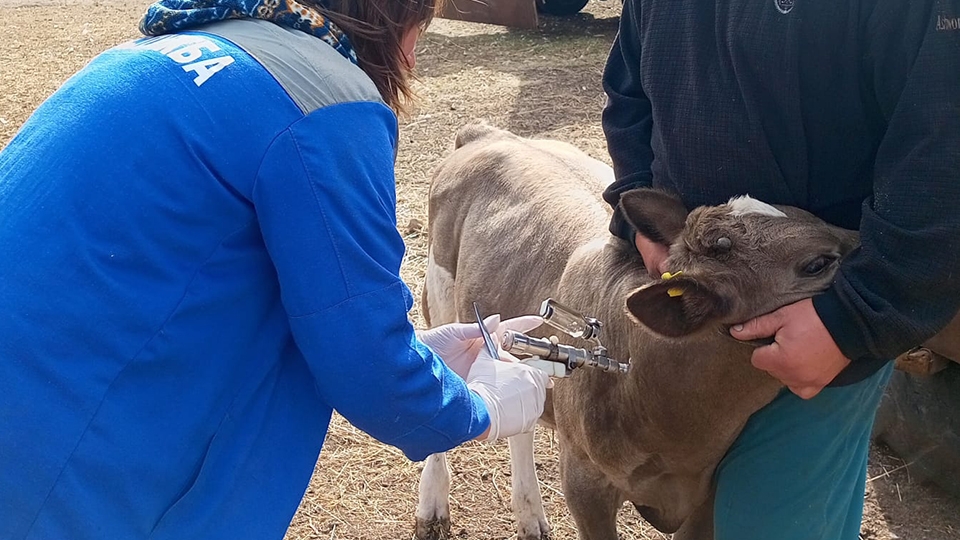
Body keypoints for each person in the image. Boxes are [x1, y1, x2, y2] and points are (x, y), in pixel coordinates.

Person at [0, 0, 551, 538]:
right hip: (58, 465)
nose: (411, 61)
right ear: (391, 18)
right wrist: (481, 408)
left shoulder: (161, 49)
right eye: (419, 32)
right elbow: (368, 365)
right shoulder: (323, 99)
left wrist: (418, 355)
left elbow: (169, 271)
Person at [601, 0, 960, 538]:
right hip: (696, 309)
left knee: (769, 523)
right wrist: (644, 216)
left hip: (820, 318)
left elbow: (941, 138)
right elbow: (629, 88)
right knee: (699, 511)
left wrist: (858, 315)